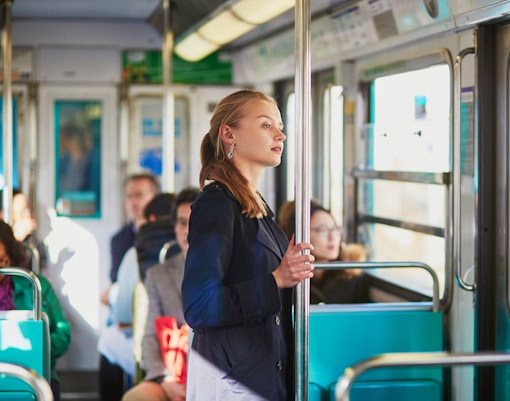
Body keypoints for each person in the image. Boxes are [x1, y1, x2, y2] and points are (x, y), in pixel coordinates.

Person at [181, 89, 315, 401]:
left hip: (261, 370)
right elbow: (199, 307)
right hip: (234, 379)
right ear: (229, 134)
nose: (280, 134)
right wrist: (277, 280)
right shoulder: (217, 204)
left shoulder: (253, 204)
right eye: (266, 125)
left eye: (280, 126)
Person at [122, 187, 199, 401]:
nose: (187, 230)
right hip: (170, 374)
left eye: (195, 222)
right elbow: (149, 338)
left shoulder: (227, 272)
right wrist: (166, 379)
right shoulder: (158, 275)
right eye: (182, 222)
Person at [99, 172, 159, 401]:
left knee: (109, 342)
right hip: (128, 310)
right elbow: (116, 279)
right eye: (130, 196)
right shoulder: (120, 239)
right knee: (109, 334)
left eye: (140, 195)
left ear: (154, 198)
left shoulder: (169, 235)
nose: (134, 202)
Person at [0, 220, 71, 401]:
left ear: (8, 258)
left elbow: (62, 333)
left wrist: (39, 350)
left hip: (35, 373)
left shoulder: (35, 286)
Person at [278, 200, 371, 304]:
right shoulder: (285, 278)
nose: (332, 237)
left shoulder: (352, 276)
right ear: (299, 235)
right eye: (322, 230)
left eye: (335, 229)